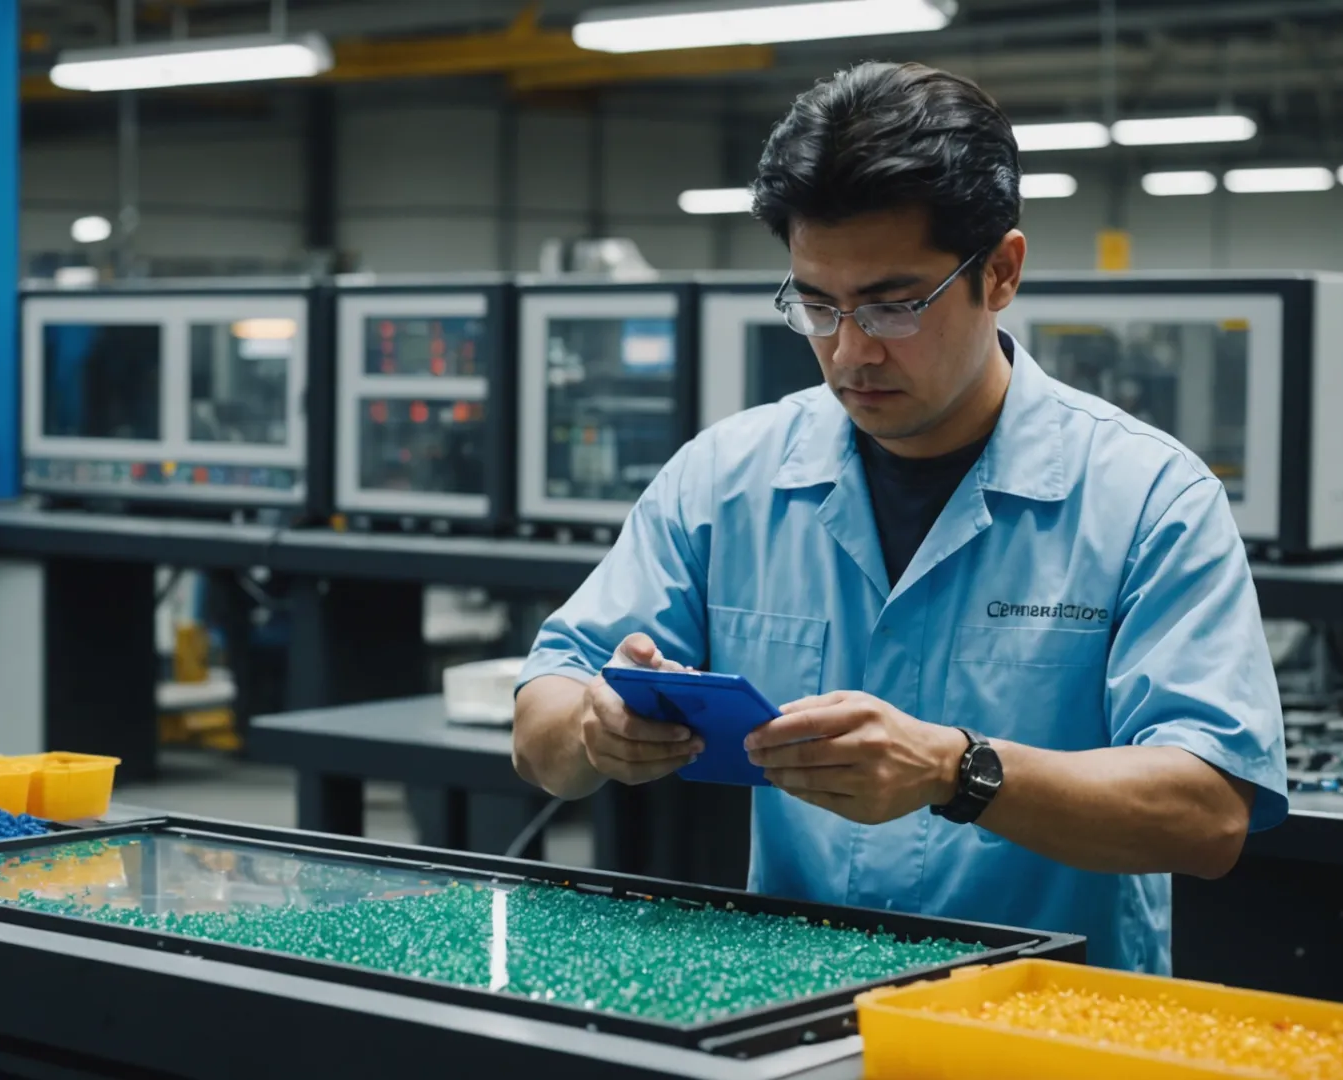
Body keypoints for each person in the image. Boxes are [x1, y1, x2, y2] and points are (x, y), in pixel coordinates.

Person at [510, 60, 1287, 973]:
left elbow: (1208, 815)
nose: (849, 351)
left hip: (1044, 1032)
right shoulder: (725, 480)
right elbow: (542, 730)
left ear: (1000, 272)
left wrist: (958, 772)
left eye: (892, 305)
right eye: (816, 304)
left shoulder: (1148, 498)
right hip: (794, 1011)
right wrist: (595, 730)